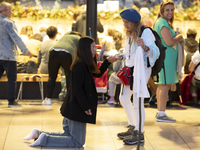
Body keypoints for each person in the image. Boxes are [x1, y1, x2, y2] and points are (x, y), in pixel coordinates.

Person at [23, 36, 118, 147]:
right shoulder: (80, 65)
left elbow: (97, 73)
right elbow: (77, 89)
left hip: (73, 108)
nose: (95, 50)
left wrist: (107, 61)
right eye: (92, 47)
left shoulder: (84, 64)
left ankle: (38, 134)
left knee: (68, 135)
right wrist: (85, 107)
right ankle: (44, 139)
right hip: (76, 109)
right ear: (85, 49)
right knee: (77, 142)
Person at [116, 8, 160, 145]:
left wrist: (145, 47)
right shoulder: (129, 33)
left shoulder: (145, 32)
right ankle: (133, 125)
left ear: (135, 22)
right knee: (123, 97)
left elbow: (156, 51)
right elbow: (129, 53)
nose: (125, 25)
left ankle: (139, 133)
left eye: (127, 22)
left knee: (137, 101)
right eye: (124, 22)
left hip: (141, 70)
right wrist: (119, 56)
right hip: (129, 70)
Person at [153, 0, 183, 122]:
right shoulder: (163, 23)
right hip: (167, 59)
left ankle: (160, 112)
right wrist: (179, 37)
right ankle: (161, 114)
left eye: (172, 10)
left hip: (165, 58)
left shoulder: (162, 22)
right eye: (167, 10)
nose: (170, 12)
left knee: (162, 86)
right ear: (162, 11)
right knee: (164, 86)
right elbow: (170, 42)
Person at [0, 2, 32, 107]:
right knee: (11, 79)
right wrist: (26, 51)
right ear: (5, 10)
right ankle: (11, 101)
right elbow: (16, 38)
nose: (12, 12)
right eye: (10, 10)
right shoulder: (8, 23)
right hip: (9, 56)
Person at [42, 31, 81, 105]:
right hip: (66, 53)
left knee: (52, 77)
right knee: (69, 76)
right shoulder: (78, 38)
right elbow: (79, 53)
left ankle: (47, 99)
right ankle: (69, 99)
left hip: (53, 51)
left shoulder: (64, 36)